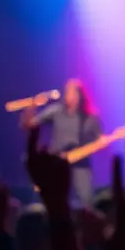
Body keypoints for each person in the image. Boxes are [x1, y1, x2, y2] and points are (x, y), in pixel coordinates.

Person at [24, 78, 103, 207]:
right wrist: (33, 105)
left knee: (86, 202)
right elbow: (30, 125)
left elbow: (101, 141)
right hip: (57, 167)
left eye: (72, 91)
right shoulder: (56, 111)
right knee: (51, 202)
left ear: (80, 94)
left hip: (80, 168)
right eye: (67, 91)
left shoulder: (91, 117)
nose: (68, 94)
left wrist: (103, 143)